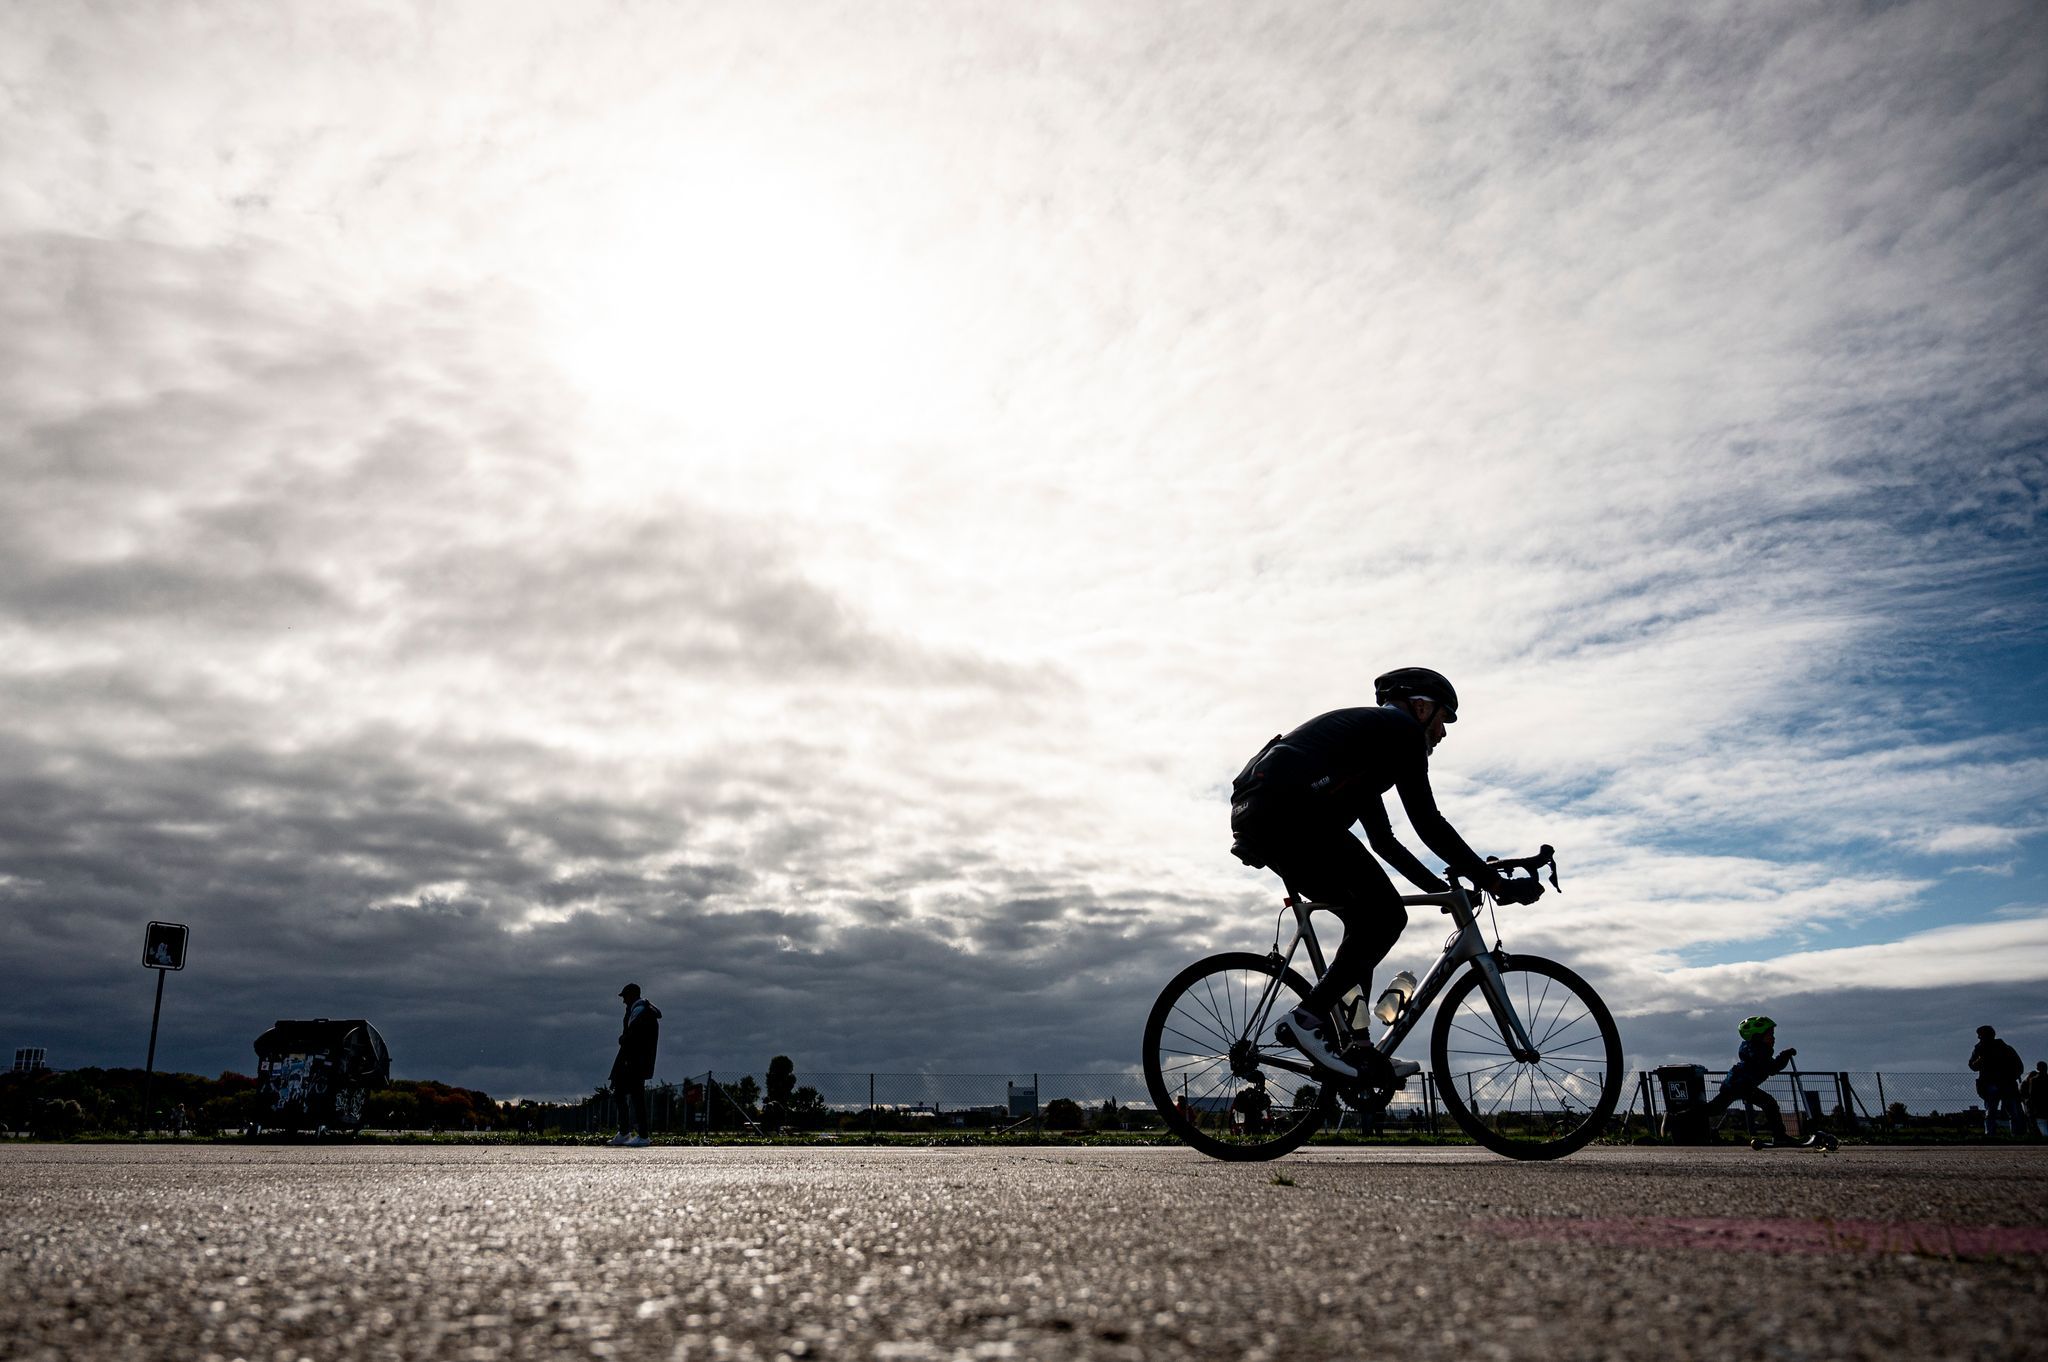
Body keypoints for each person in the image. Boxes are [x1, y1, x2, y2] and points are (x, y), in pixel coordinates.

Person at [1228, 667, 1541, 1079]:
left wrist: (1440, 890)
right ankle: (1306, 1018)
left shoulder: (1364, 749)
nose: (1442, 734)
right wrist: (1494, 882)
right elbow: (1429, 823)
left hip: (1266, 817)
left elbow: (1385, 842)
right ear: (1422, 708)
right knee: (1388, 916)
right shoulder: (1401, 732)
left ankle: (1358, 1050)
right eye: (1444, 720)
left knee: (1366, 921)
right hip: (1297, 816)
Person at [1702, 1015, 1795, 1142]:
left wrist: (1784, 1056)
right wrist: (1785, 1055)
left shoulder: (1756, 1049)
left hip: (1734, 1084)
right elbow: (1772, 1068)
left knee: (1714, 1109)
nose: (1773, 1038)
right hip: (1742, 1085)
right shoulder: (1759, 1051)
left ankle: (1682, 1116)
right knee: (1770, 1104)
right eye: (1770, 1035)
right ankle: (1780, 1136)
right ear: (1758, 1036)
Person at [608, 983, 662, 1147]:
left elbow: (634, 1038)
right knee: (622, 1093)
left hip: (634, 1062)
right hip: (633, 1060)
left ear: (632, 995)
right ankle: (626, 1132)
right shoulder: (639, 1011)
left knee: (636, 1097)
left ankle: (642, 1135)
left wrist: (622, 1039)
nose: (623, 1001)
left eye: (625, 997)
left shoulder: (640, 1012)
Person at [1969, 1025, 2025, 1138]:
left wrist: (2010, 1077)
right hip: (1997, 1084)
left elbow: (2018, 1066)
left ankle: (1993, 1134)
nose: (1979, 1038)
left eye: (1980, 1035)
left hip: (2000, 1084)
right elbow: (1972, 1065)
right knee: (2004, 1111)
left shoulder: (1999, 1049)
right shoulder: (1983, 1049)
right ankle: (2012, 1134)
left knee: (2001, 1111)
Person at [2022, 1060, 2048, 1140]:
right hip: (2042, 1103)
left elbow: (2031, 1093)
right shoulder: (2034, 1079)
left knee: (2034, 1120)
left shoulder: (2033, 1079)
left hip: (2035, 1103)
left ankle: (2036, 1135)